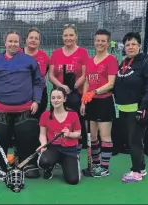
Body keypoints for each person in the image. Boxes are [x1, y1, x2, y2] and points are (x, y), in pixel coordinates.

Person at [0, 30, 44, 179]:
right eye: (10, 41)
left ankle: (27, 164)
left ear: (20, 43)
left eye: (16, 42)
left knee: (26, 134)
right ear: (4, 42)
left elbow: (38, 83)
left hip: (25, 108)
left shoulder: (29, 61)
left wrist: (36, 100)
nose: (13, 44)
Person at [113, 32, 148, 183]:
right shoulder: (124, 62)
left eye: (133, 44)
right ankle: (142, 167)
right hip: (124, 109)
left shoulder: (146, 63)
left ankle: (136, 171)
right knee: (131, 139)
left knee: (135, 141)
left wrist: (143, 107)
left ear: (139, 45)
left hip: (137, 109)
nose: (130, 47)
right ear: (124, 48)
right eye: (127, 44)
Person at [80, 29, 118, 177]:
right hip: (91, 103)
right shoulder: (90, 60)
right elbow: (87, 82)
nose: (100, 43)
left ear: (108, 43)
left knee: (105, 136)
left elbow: (110, 84)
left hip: (104, 102)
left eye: (103, 41)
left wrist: (94, 92)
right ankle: (95, 165)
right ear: (94, 41)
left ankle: (105, 168)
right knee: (93, 136)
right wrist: (84, 101)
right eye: (98, 40)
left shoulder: (111, 60)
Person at [48, 24, 89, 155]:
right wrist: (62, 87)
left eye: (71, 35)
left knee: (74, 122)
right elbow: (51, 75)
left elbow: (84, 74)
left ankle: (74, 152)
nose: (68, 38)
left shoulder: (82, 52)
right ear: (62, 37)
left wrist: (74, 86)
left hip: (76, 94)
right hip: (59, 95)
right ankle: (55, 149)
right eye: (66, 35)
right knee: (56, 121)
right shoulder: (56, 53)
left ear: (76, 36)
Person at [37, 87, 81, 185]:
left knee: (73, 180)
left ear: (64, 99)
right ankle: (50, 167)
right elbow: (42, 134)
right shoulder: (45, 115)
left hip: (69, 150)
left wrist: (69, 134)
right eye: (53, 98)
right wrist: (43, 145)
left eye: (59, 97)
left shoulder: (73, 115)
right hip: (53, 149)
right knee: (43, 161)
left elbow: (78, 133)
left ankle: (72, 160)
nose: (55, 100)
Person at [22, 27, 50, 119]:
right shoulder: (18, 54)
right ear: (26, 39)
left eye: (36, 38)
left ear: (39, 41)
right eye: (31, 38)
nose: (33, 40)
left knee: (37, 122)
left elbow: (46, 72)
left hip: (40, 95)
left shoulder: (44, 56)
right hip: (21, 94)